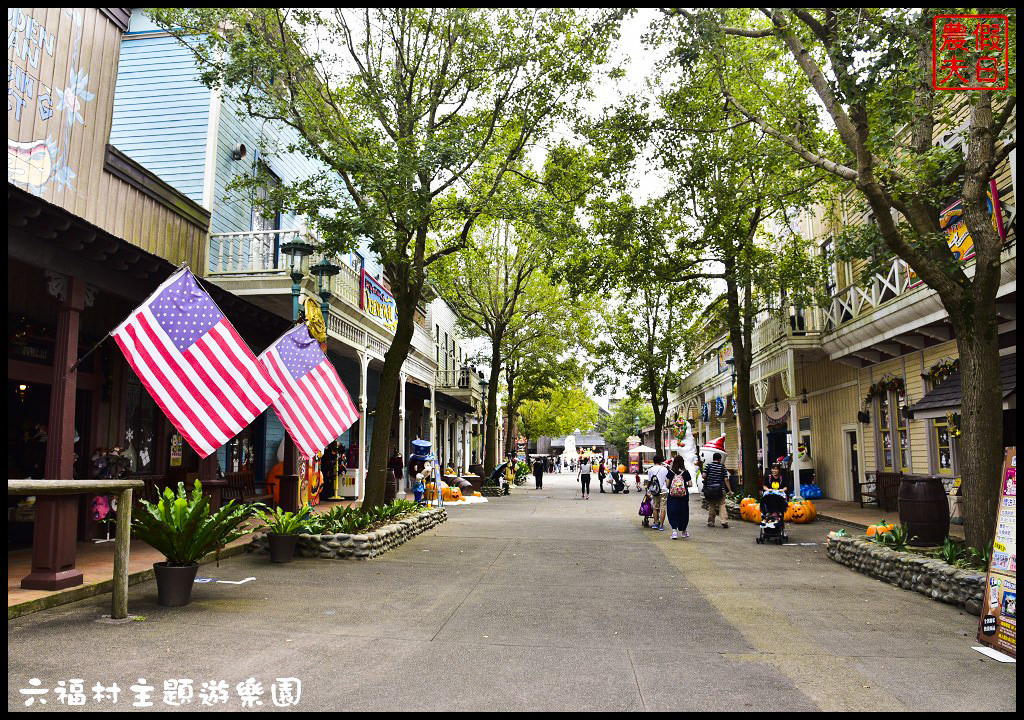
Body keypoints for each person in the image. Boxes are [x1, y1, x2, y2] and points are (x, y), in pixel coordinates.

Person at [703, 452, 733, 528]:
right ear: (720, 459)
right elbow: (726, 479)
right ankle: (724, 521)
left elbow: (704, 476)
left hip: (710, 489)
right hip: (720, 489)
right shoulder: (722, 467)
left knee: (711, 505)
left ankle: (711, 521)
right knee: (722, 504)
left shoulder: (708, 465)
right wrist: (729, 490)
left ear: (713, 458)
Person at [667, 455, 691, 539]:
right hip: (683, 496)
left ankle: (674, 531)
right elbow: (690, 484)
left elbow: (667, 484)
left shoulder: (670, 472)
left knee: (672, 512)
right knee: (683, 512)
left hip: (672, 496)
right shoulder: (685, 472)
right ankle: (684, 531)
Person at [646, 454, 671, 530]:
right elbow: (667, 480)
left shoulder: (650, 469)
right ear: (661, 461)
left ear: (653, 461)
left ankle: (656, 523)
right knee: (663, 507)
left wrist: (648, 488)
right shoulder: (665, 469)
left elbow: (649, 481)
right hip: (664, 490)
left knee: (655, 507)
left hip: (655, 491)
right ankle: (662, 525)